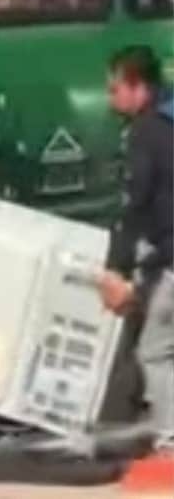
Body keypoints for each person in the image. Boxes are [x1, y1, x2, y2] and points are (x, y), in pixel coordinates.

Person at [97, 45, 173, 471]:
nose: (110, 100)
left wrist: (118, 270)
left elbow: (136, 206)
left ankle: (170, 445)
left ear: (137, 87)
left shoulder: (145, 132)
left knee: (156, 353)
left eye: (115, 89)